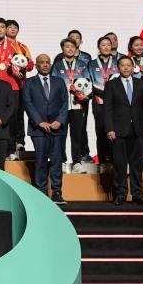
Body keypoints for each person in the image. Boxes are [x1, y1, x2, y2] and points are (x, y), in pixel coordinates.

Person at [102, 57, 143, 206]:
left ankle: (138, 194)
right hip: (118, 130)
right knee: (119, 164)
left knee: (137, 165)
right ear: (118, 68)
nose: (126, 68)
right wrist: (110, 129)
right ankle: (121, 194)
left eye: (128, 65)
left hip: (138, 130)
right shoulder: (111, 85)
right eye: (123, 65)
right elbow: (107, 109)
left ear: (133, 67)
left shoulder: (140, 84)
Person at [22, 54, 69, 204]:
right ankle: (41, 192)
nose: (45, 64)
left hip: (57, 128)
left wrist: (59, 121)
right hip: (38, 129)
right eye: (42, 62)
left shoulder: (59, 81)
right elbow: (28, 104)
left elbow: (65, 103)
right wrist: (39, 122)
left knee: (56, 160)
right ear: (36, 65)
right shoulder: (29, 83)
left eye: (47, 62)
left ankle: (57, 192)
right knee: (41, 160)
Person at [50, 38, 91, 173]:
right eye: (67, 46)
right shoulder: (57, 65)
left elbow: (88, 83)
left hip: (78, 105)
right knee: (61, 134)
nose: (70, 49)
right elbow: (52, 84)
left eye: (72, 47)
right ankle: (61, 161)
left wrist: (84, 95)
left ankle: (77, 162)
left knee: (77, 134)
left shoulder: (82, 65)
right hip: (61, 106)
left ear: (76, 48)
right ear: (62, 49)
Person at [4, 19, 34, 160]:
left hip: (20, 85)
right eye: (9, 27)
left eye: (15, 27)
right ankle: (8, 143)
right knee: (8, 116)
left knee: (19, 114)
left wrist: (23, 66)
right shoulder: (1, 46)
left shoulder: (22, 47)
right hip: (6, 86)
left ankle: (20, 141)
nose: (12, 29)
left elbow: (31, 64)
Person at [89, 36, 119, 166]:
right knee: (101, 131)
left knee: (115, 131)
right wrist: (105, 93)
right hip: (99, 102)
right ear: (98, 47)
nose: (106, 47)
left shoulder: (118, 62)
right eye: (103, 45)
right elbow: (89, 83)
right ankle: (102, 161)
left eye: (108, 45)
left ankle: (114, 160)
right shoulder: (91, 64)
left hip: (115, 103)